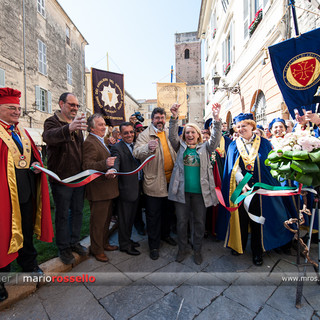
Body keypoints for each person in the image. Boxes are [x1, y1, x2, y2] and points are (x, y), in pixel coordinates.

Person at [217, 113, 293, 266]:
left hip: (260, 191)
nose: (240, 129)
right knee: (242, 219)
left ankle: (257, 251)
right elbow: (233, 167)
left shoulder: (264, 143)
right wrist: (240, 180)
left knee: (259, 220)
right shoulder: (233, 144)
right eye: (238, 127)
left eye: (244, 126)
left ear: (252, 126)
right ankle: (240, 245)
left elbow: (270, 165)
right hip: (241, 189)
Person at [0, 87, 53, 302]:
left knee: (27, 231)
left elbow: (30, 158)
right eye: (11, 108)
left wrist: (36, 166)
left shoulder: (21, 132)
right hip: (5, 195)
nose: (16, 111)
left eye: (18, 108)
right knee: (4, 235)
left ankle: (29, 265)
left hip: (27, 192)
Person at [168, 104, 222, 264]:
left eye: (193, 132)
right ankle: (182, 249)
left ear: (198, 135)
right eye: (187, 133)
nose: (190, 135)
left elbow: (216, 138)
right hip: (181, 192)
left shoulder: (206, 147)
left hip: (200, 193)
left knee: (199, 222)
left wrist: (217, 119)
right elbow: (172, 136)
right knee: (182, 222)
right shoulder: (180, 147)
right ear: (184, 136)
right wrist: (174, 117)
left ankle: (197, 250)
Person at [43, 92, 88, 265]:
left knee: (77, 212)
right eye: (71, 105)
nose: (75, 108)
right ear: (61, 103)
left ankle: (74, 242)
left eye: (77, 106)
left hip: (78, 178)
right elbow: (49, 137)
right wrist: (69, 128)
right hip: (61, 179)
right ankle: (63, 248)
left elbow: (80, 150)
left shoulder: (77, 124)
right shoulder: (51, 121)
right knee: (62, 215)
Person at [133, 107, 177, 260]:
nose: (160, 120)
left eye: (162, 117)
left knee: (168, 212)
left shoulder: (167, 132)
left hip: (170, 181)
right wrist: (147, 148)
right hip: (154, 183)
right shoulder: (145, 135)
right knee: (153, 216)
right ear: (152, 119)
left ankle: (165, 235)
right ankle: (154, 246)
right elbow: (136, 152)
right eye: (157, 117)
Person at [82, 114, 119, 262]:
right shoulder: (89, 142)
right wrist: (105, 163)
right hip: (98, 191)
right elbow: (86, 166)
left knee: (105, 221)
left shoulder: (101, 140)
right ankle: (97, 250)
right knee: (98, 222)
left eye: (104, 124)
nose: (104, 127)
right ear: (91, 127)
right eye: (100, 125)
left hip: (107, 189)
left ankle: (104, 243)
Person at [111, 122, 142, 256]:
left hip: (137, 188)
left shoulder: (136, 145)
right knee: (124, 220)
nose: (129, 135)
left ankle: (128, 240)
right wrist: (113, 169)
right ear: (120, 134)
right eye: (126, 133)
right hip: (126, 190)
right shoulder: (117, 148)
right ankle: (124, 245)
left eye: (131, 132)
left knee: (131, 218)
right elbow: (116, 162)